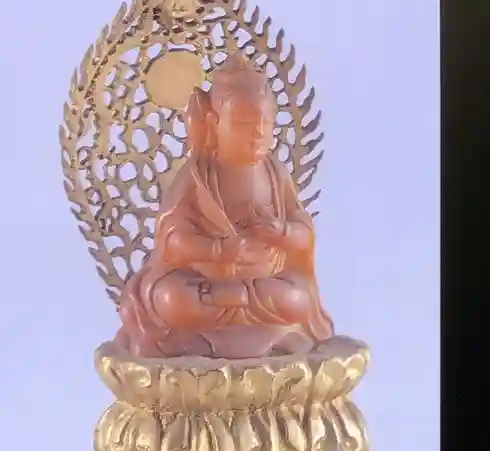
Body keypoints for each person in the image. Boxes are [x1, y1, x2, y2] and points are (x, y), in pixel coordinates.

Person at [116, 58, 331, 359]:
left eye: (267, 124)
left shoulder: (274, 173)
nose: (257, 134)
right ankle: (207, 334)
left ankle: (244, 325)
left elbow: (303, 233)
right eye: (243, 124)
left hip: (262, 285)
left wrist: (282, 232)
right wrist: (217, 250)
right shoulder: (197, 176)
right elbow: (172, 238)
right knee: (168, 298)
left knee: (297, 299)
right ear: (212, 123)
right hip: (205, 285)